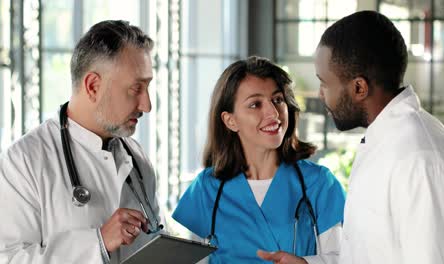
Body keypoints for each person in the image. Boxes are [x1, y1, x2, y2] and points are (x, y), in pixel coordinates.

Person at [0, 20, 164, 264]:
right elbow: (9, 258)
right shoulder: (23, 163)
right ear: (93, 86)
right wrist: (97, 243)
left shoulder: (137, 160)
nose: (147, 105)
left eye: (148, 87)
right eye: (135, 89)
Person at [313, 11, 444, 264]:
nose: (321, 94)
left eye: (324, 83)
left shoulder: (424, 161)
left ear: (359, 88)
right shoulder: (384, 140)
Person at [172, 56, 346, 263]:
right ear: (230, 120)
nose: (273, 113)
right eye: (255, 104)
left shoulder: (318, 183)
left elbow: (343, 258)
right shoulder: (207, 188)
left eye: (278, 100)